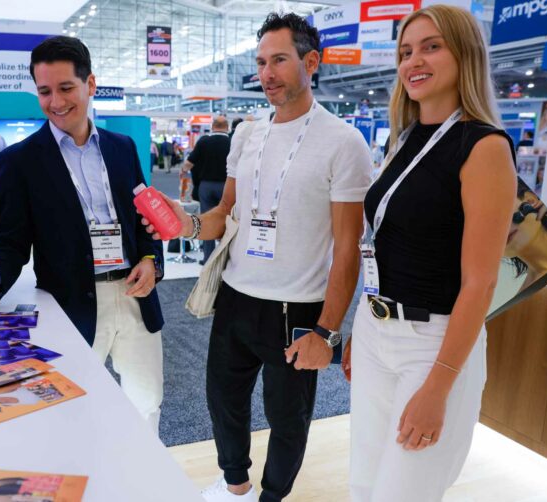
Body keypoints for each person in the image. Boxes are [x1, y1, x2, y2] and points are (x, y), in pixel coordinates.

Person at [143, 13, 371, 501]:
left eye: (279, 60)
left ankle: (271, 496)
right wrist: (187, 224)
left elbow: (348, 248)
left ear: (312, 62)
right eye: (261, 62)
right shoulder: (246, 135)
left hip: (297, 308)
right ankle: (236, 486)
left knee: (288, 416)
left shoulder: (343, 142)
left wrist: (327, 332)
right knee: (223, 400)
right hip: (236, 296)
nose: (266, 73)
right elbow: (225, 213)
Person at [343, 6, 517, 501]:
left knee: (403, 493)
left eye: (431, 47)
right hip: (376, 331)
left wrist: (439, 386)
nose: (413, 61)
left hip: (433, 344)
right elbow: (386, 241)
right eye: (405, 51)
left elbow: (480, 282)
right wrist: (362, 321)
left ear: (465, 55)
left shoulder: (484, 147)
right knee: (363, 487)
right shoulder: (404, 138)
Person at [0, 36, 166, 432]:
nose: (55, 101)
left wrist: (150, 260)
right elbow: (11, 241)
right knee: (71, 412)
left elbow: (145, 220)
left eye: (66, 88)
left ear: (90, 84)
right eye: (45, 91)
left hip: (135, 296)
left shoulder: (123, 148)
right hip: (71, 302)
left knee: (146, 404)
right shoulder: (19, 161)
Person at [183, 116, 231, 264]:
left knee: (206, 220)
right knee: (228, 221)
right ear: (227, 127)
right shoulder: (232, 142)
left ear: (212, 127)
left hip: (206, 186)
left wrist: (183, 172)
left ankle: (208, 258)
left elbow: (188, 164)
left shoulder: (204, 141)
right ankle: (225, 258)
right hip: (227, 186)